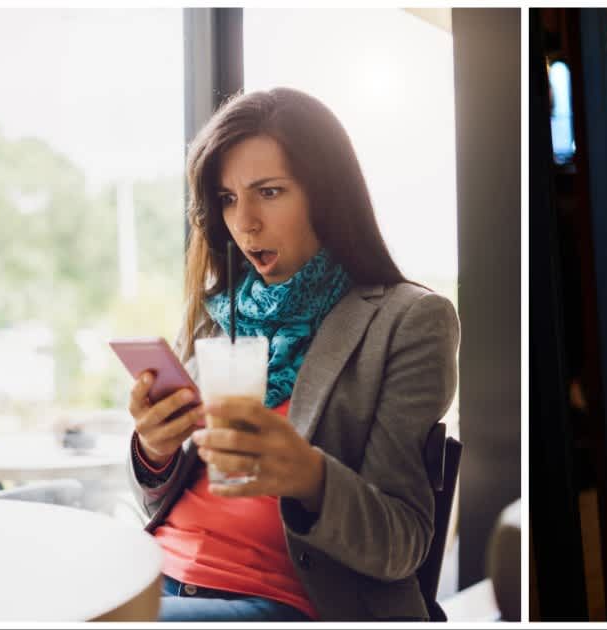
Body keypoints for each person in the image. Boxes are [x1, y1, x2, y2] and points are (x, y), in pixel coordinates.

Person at [125, 87, 459, 622]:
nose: (245, 222)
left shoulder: (407, 320)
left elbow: (403, 541)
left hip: (286, 599)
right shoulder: (223, 312)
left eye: (270, 192)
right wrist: (154, 450)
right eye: (229, 198)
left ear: (328, 195)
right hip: (155, 572)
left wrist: (309, 475)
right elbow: (160, 502)